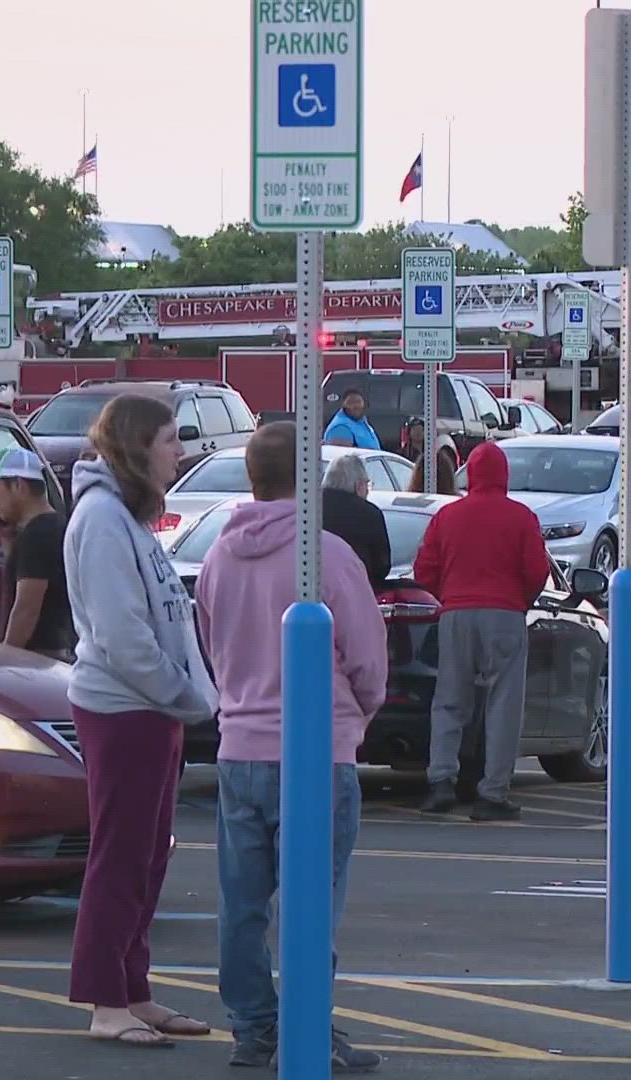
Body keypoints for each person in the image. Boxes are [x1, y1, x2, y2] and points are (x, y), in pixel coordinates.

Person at [193, 421, 387, 1072]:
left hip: (239, 747)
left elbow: (212, 643)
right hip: (316, 751)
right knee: (311, 905)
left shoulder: (219, 555)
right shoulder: (325, 556)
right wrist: (360, 716)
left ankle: (253, 1029)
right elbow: (366, 659)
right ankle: (307, 1027)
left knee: (241, 905)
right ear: (308, 479)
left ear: (251, 475)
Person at [62, 395, 217, 1047]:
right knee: (120, 857)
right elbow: (122, 636)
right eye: (169, 440)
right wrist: (182, 694)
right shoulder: (100, 519)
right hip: (125, 708)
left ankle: (133, 989)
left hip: (152, 710)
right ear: (135, 447)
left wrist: (180, 699)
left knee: (148, 856)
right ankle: (106, 1001)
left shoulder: (126, 517)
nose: (178, 453)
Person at [412, 443, 549, 821]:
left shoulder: (448, 516)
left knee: (450, 701)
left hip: (456, 612)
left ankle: (441, 781)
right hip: (504, 613)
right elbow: (537, 571)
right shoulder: (521, 517)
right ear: (504, 474)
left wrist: (448, 595)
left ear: (469, 474)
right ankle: (493, 792)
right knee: (503, 705)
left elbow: (424, 568)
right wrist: (519, 601)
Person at [0, 447, 75, 661]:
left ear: (18, 485)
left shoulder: (38, 534)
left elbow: (27, 607)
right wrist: (7, 538)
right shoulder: (53, 524)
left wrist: (5, 658)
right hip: (56, 652)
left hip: (39, 657)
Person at [323, 453, 391, 592]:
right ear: (359, 485)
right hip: (355, 590)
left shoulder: (307, 507)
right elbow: (381, 566)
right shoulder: (369, 514)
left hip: (311, 589)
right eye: (367, 484)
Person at [401, 420, 459, 496]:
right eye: (415, 430)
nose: (418, 433)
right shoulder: (403, 453)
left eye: (421, 430)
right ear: (410, 432)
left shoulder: (433, 453)